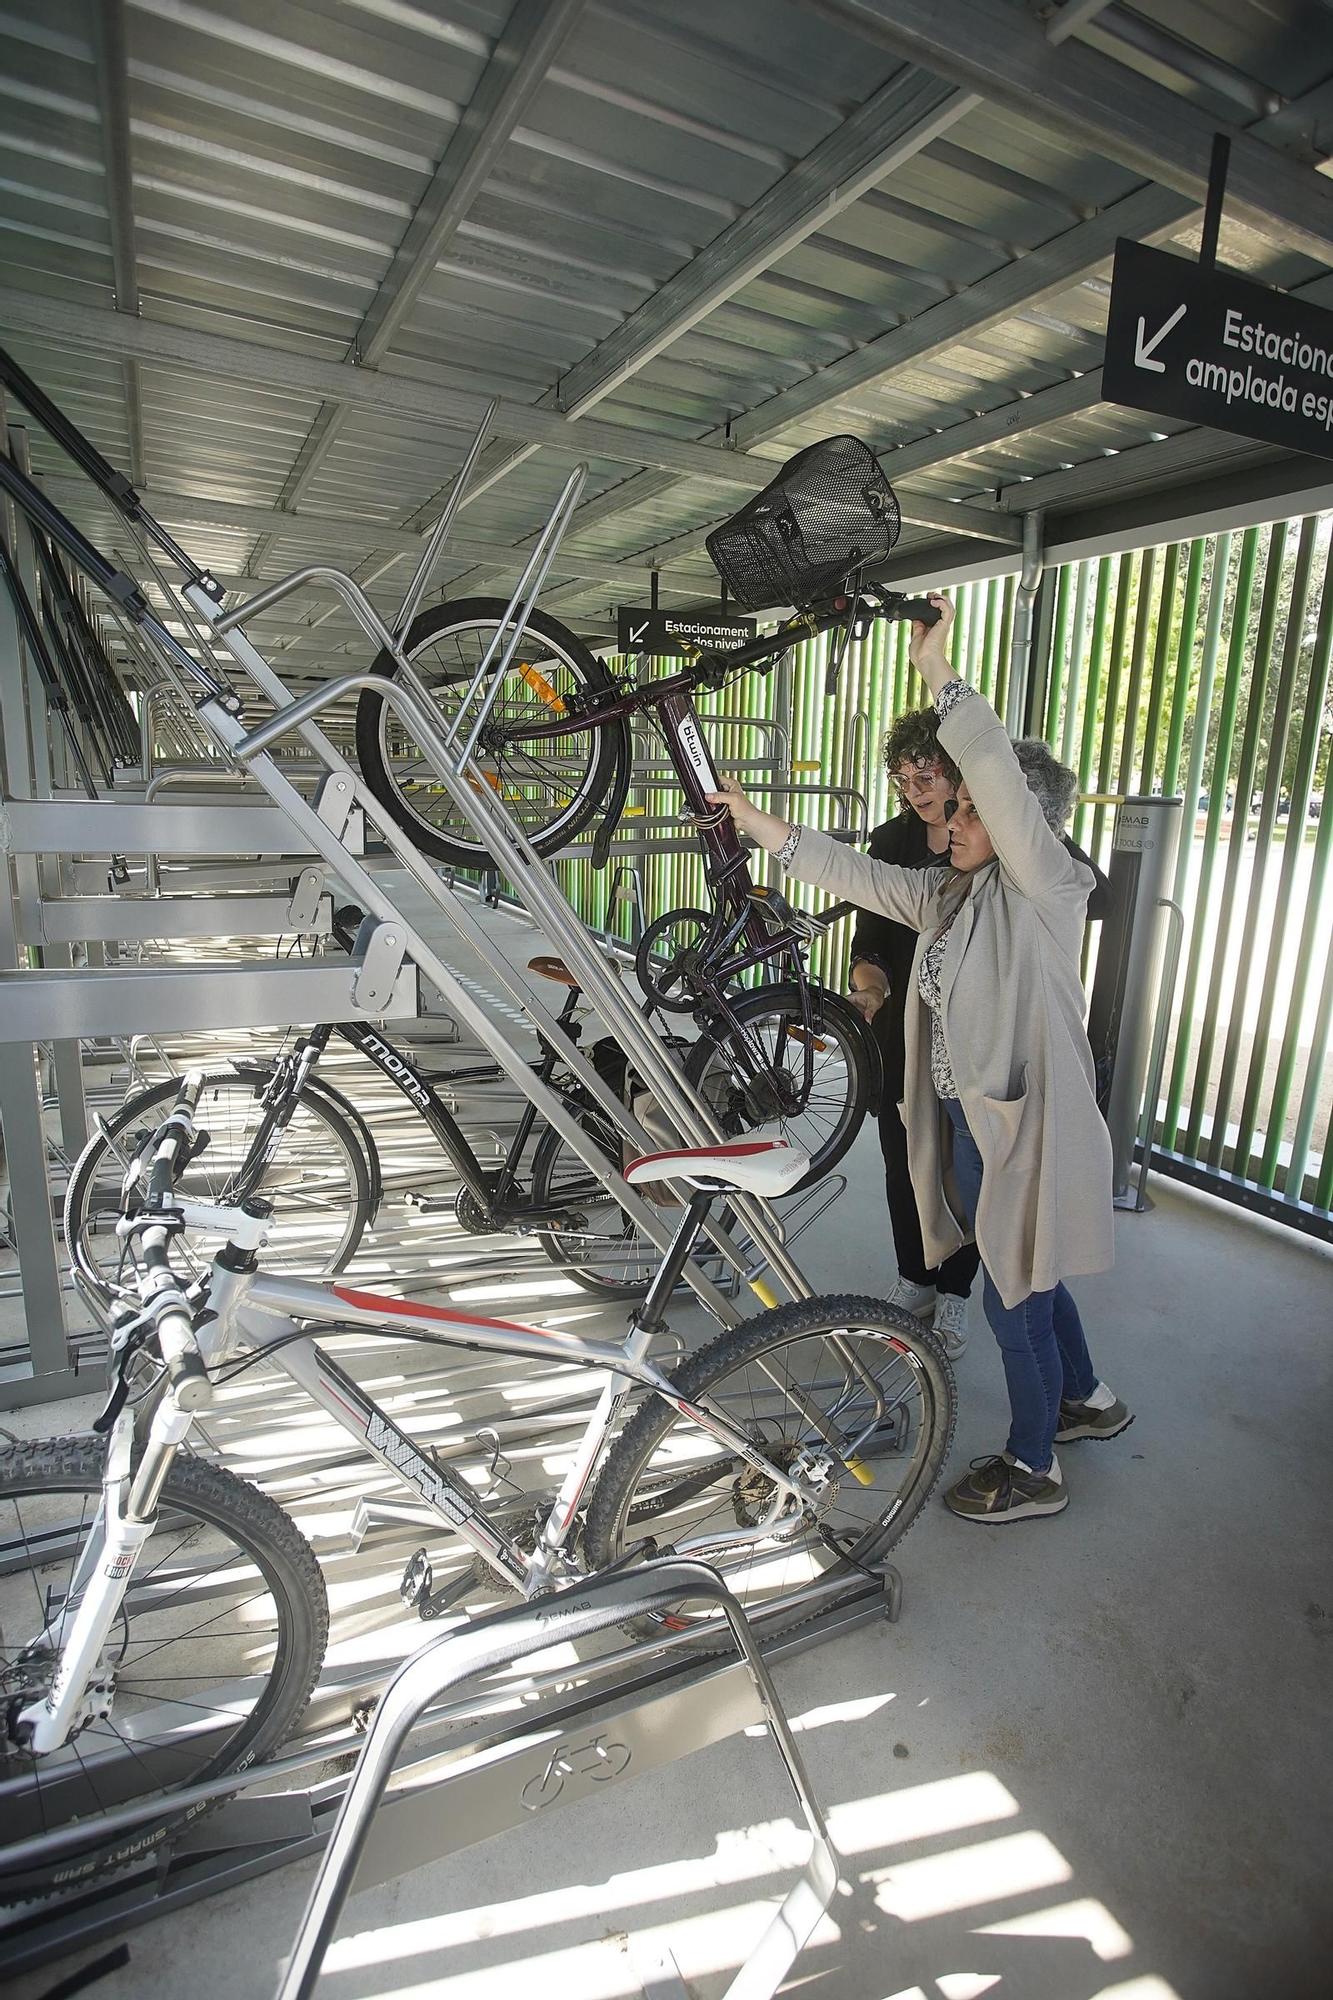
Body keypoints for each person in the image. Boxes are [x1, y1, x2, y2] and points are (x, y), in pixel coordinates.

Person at [708, 596, 1132, 1525]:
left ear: (1022, 824)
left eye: (973, 810)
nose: (953, 817)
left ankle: (1033, 1468)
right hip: (975, 1129)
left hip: (1020, 1133)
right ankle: (1088, 1402)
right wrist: (754, 822)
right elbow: (856, 875)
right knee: (1032, 1270)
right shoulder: (950, 892)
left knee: (1011, 1300)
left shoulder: (1045, 887)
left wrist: (937, 672)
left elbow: (993, 777)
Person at [850, 716, 1113, 1365]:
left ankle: (956, 1298)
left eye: (928, 775)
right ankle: (916, 1278)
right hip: (912, 1041)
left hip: (983, 1071)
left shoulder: (1028, 858)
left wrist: (1012, 837)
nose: (915, 788)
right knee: (908, 1166)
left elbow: (1085, 889)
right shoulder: (894, 842)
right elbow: (871, 929)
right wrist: (869, 984)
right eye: (902, 778)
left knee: (995, 1232)